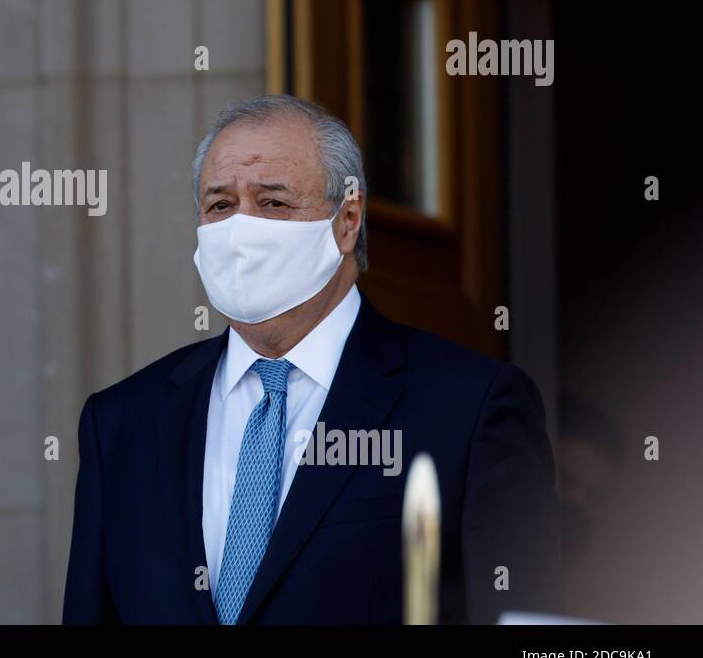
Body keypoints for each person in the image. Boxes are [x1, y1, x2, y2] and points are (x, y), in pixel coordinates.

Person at [63, 95, 562, 624]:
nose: (240, 231)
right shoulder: (121, 422)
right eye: (220, 206)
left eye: (273, 203)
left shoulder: (469, 407)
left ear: (347, 221)